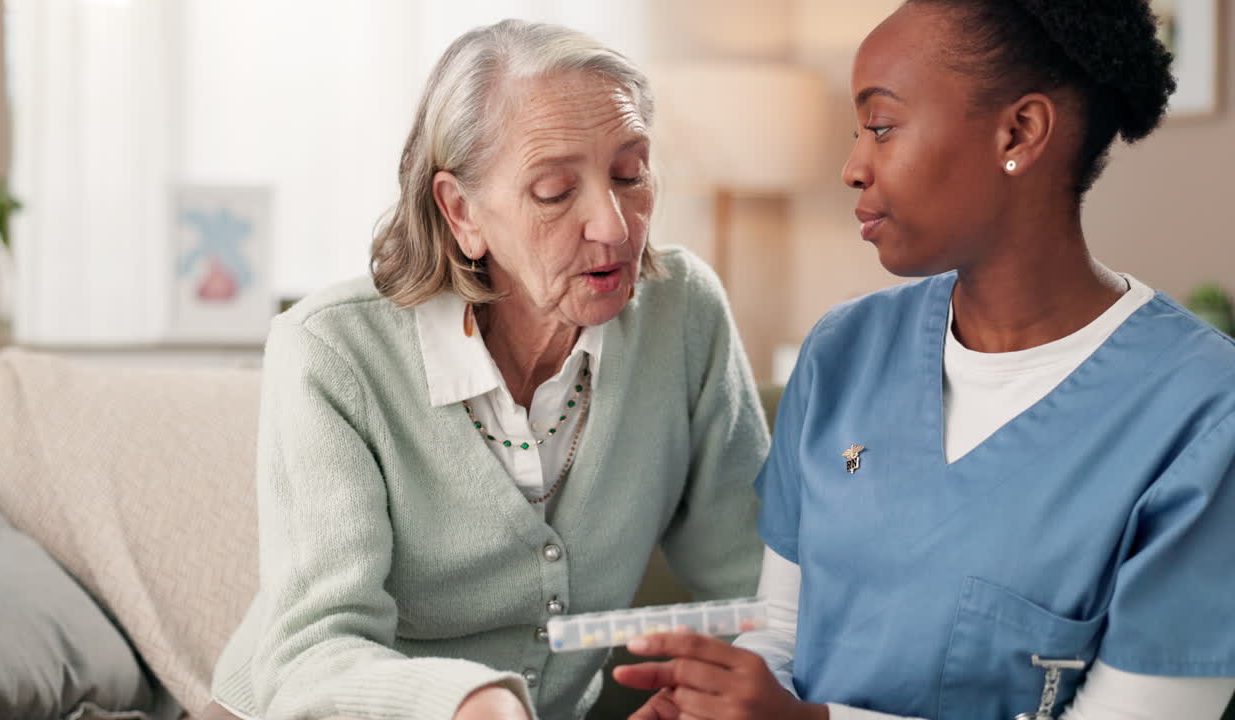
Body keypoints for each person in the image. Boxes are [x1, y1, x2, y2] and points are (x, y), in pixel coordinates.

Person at [614, 1, 1235, 719]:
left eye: (881, 127)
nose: (852, 168)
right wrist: (717, 703)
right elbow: (781, 631)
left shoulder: (1204, 413)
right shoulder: (842, 351)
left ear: (1019, 132)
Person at [204, 19, 767, 720]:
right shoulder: (331, 351)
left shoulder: (682, 314)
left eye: (630, 174)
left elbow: (755, 581)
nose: (615, 225)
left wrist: (733, 692)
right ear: (461, 210)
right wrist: (470, 702)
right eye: (555, 191)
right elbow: (312, 652)